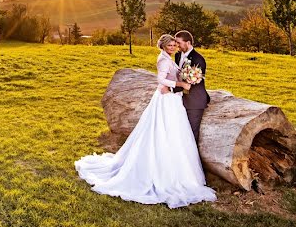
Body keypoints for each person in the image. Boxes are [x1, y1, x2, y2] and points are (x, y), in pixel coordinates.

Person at [74, 34, 216, 208]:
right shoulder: (165, 59)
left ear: (187, 42)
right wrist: (181, 85)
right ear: (163, 46)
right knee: (163, 132)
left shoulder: (187, 58)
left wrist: (183, 83)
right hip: (167, 100)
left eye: (176, 44)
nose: (174, 47)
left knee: (178, 133)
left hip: (175, 99)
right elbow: (161, 80)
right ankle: (166, 170)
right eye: (171, 45)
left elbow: (190, 79)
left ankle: (182, 169)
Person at [172, 30, 210, 143]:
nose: (176, 45)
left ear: (188, 43)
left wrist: (171, 87)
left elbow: (193, 84)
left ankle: (192, 160)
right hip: (179, 98)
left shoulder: (198, 59)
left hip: (194, 100)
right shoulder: (178, 55)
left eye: (178, 43)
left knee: (191, 133)